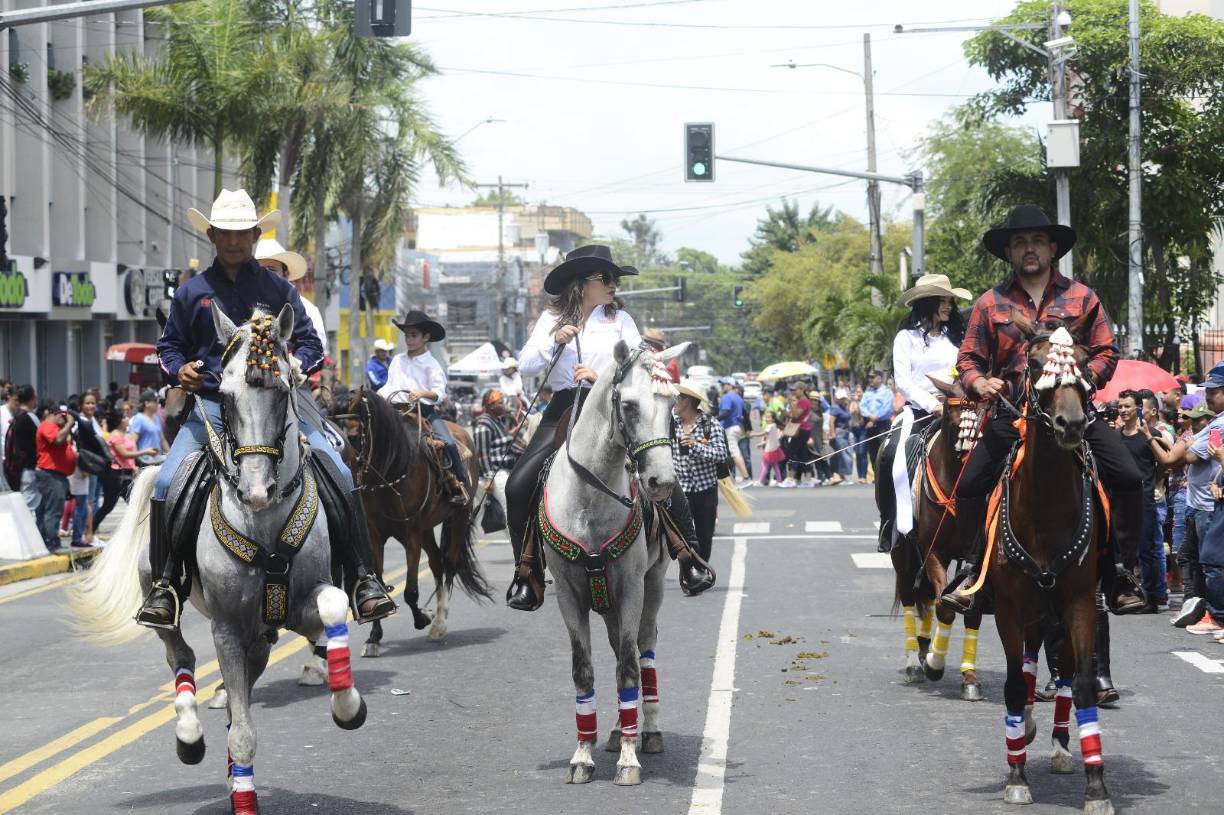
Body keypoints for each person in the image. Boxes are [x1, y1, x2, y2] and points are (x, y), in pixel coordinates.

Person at [137, 188, 393, 630]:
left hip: (277, 407)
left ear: (256, 234)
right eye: (226, 233)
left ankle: (363, 578)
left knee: (340, 471)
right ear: (212, 235)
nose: (235, 241)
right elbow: (168, 348)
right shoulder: (191, 293)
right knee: (163, 483)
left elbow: (312, 342)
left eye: (243, 233)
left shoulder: (277, 288)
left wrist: (295, 362)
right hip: (214, 408)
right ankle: (167, 584)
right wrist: (181, 372)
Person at [943, 205, 1145, 614]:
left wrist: (1085, 378)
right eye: (1019, 242)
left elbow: (1107, 350)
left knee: (1128, 477)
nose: (1029, 249)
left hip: (1074, 411)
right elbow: (968, 360)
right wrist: (979, 382)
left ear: (1052, 248)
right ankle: (971, 572)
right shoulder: (989, 303)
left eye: (1037, 241)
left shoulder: (1083, 297)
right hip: (1014, 416)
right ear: (1009, 253)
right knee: (969, 485)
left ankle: (1122, 572)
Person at [503, 244, 713, 610]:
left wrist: (600, 377)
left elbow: (639, 367)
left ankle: (689, 556)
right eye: (606, 278)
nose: (614, 284)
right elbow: (525, 367)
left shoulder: (621, 320)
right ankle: (528, 573)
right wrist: (555, 342)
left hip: (613, 405)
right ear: (582, 283)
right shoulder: (552, 319)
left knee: (659, 469)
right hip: (567, 404)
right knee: (519, 484)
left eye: (614, 278)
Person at [876, 273, 972, 551]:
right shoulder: (905, 339)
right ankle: (889, 521)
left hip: (958, 408)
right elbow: (903, 382)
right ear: (927, 303)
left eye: (950, 301)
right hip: (920, 412)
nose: (949, 306)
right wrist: (932, 405)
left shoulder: (956, 338)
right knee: (892, 452)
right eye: (942, 301)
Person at [1150, 373, 1224, 630]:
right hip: (1196, 503)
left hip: (1207, 505)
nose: (1209, 396)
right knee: (1190, 556)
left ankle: (1216, 616)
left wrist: (1149, 438)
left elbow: (1185, 457)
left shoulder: (1218, 425)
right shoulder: (1215, 423)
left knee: (1212, 561)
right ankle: (1201, 607)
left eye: (1213, 392)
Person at [378, 310, 470, 505]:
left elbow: (440, 392)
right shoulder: (397, 361)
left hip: (425, 412)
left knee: (449, 443)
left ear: (426, 337)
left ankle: (458, 483)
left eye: (414, 335)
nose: (409, 340)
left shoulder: (432, 364)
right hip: (397, 412)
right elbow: (389, 386)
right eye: (407, 335)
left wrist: (422, 393)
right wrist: (377, 397)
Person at [672, 380, 729, 590]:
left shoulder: (709, 424)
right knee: (682, 534)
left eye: (678, 398)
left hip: (705, 489)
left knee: (704, 535)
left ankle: (701, 569)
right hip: (680, 490)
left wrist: (695, 446)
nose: (675, 402)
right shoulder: (671, 424)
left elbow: (721, 454)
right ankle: (689, 571)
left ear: (687, 401)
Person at [1115, 390, 1168, 611]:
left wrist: (1154, 483)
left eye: (1127, 406)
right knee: (1125, 552)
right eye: (1120, 407)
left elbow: (1167, 461)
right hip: (1120, 502)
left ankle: (1153, 597)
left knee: (1149, 550)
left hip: (1145, 501)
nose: (1123, 410)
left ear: (1138, 408)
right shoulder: (1114, 437)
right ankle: (1127, 594)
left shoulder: (1150, 433)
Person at [255, 237, 329, 358]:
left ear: (286, 274)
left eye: (271, 270)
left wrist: (296, 363)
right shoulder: (243, 305)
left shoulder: (308, 310)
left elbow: (317, 349)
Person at [472, 389, 521, 522]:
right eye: (500, 403)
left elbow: (507, 445)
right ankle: (517, 541)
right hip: (496, 474)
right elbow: (483, 454)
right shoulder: (483, 425)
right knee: (510, 510)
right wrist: (489, 478)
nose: (504, 405)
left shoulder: (497, 421)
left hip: (507, 470)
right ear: (491, 406)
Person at [34, 405, 76, 552]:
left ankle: (46, 542)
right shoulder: (47, 425)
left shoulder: (56, 427)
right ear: (54, 414)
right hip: (50, 474)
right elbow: (58, 440)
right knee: (53, 511)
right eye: (64, 417)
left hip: (56, 475)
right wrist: (70, 424)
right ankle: (53, 544)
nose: (65, 420)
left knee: (48, 510)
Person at [860, 370, 894, 481]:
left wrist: (876, 417)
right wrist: (870, 416)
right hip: (870, 424)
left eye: (872, 377)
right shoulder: (867, 392)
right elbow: (862, 406)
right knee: (873, 452)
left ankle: (887, 475)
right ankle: (878, 476)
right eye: (869, 377)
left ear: (879, 378)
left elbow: (887, 408)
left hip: (882, 424)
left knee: (884, 450)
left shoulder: (886, 392)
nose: (870, 379)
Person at [717, 378, 750, 485]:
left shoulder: (727, 397)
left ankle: (746, 478)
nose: (722, 387)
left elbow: (726, 413)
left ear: (730, 386)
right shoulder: (738, 397)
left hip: (730, 426)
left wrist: (713, 418)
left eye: (724, 384)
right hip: (737, 426)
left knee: (734, 453)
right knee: (730, 453)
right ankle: (731, 478)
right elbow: (744, 414)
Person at [780, 385, 814, 488]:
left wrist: (791, 404)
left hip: (801, 430)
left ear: (802, 390)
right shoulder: (801, 401)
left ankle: (790, 478)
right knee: (803, 455)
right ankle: (808, 479)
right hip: (801, 429)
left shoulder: (803, 401)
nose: (794, 392)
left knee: (790, 453)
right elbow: (792, 415)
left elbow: (795, 415)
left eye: (795, 390)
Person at [130, 390, 167, 465]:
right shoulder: (139, 418)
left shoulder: (156, 418)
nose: (158, 403)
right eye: (155, 401)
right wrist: (135, 462)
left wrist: (170, 454)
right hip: (144, 461)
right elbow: (132, 442)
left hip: (157, 460)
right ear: (146, 403)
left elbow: (162, 439)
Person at [752, 409, 785, 486]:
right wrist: (762, 443)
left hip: (770, 449)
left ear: (773, 419)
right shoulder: (774, 426)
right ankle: (779, 481)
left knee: (765, 465)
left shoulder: (770, 426)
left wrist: (753, 434)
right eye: (766, 417)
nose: (767, 419)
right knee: (775, 465)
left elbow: (764, 433)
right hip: (774, 448)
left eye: (769, 417)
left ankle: (760, 481)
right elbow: (769, 438)